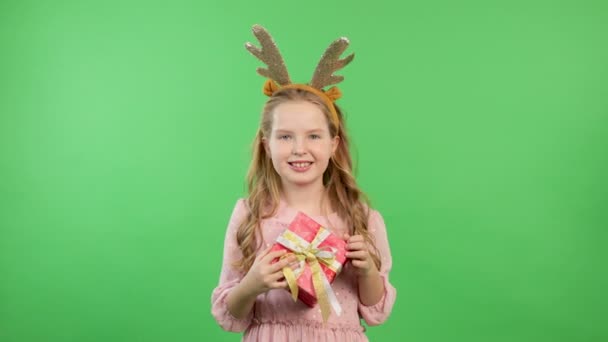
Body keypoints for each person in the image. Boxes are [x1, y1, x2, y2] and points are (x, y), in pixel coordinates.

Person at [211, 25, 396, 341]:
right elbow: (232, 314)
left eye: (313, 136)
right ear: (266, 144)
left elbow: (374, 309)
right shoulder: (250, 214)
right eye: (285, 136)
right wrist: (253, 283)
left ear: (333, 145)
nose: (300, 149)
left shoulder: (360, 217)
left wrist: (367, 271)